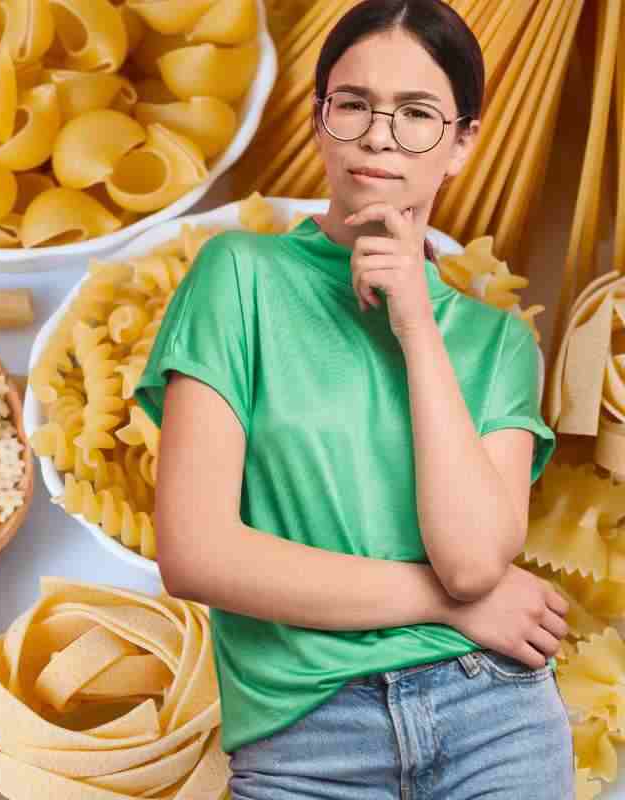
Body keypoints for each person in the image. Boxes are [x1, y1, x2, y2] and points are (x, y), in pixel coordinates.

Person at [132, 0, 574, 797]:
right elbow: (195, 554)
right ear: (319, 118)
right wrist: (447, 610)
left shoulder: (498, 343)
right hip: (305, 740)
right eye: (355, 105)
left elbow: (475, 562)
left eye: (416, 115)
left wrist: (415, 324)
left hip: (493, 718)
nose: (379, 135)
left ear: (463, 143)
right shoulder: (238, 276)